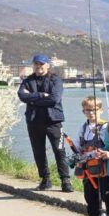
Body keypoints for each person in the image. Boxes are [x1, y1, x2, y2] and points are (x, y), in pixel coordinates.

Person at [17, 54, 71, 192]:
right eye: (36, 64)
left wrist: (33, 100)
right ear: (33, 65)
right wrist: (41, 95)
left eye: (41, 64)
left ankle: (65, 180)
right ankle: (45, 180)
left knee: (59, 150)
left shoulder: (56, 80)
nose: (39, 66)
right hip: (34, 121)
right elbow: (22, 96)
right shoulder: (28, 81)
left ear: (47, 65)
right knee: (38, 151)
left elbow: (54, 99)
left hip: (53, 121)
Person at [73, 96, 109, 216]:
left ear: (101, 110)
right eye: (87, 110)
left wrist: (93, 153)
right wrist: (77, 154)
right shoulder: (83, 128)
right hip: (88, 171)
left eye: (94, 109)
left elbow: (108, 146)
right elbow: (77, 145)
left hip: (103, 170)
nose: (91, 113)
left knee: (108, 199)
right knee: (90, 199)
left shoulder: (106, 127)